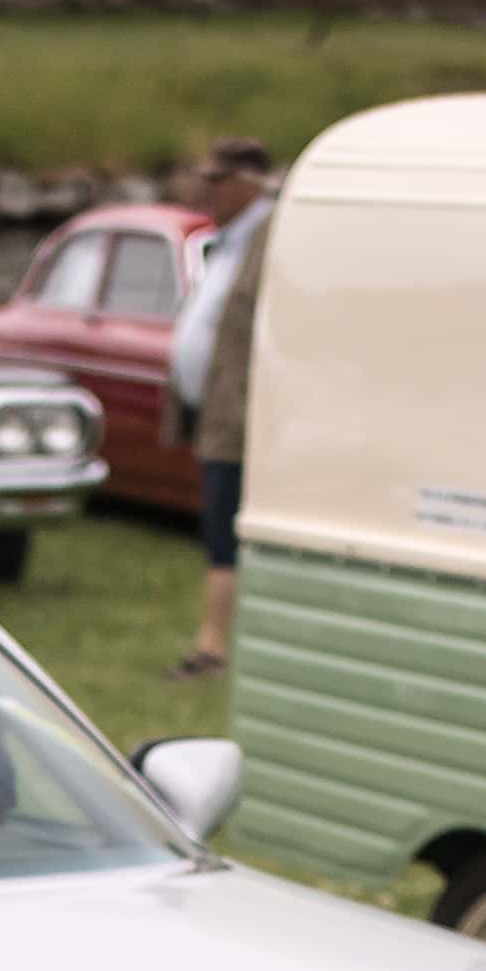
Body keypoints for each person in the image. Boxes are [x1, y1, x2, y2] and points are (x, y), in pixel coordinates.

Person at [164, 137, 274, 681]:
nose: (208, 191)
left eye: (218, 180)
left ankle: (214, 647)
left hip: (243, 412)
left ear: (247, 183)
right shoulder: (226, 240)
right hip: (216, 408)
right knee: (215, 522)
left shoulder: (270, 236)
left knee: (227, 529)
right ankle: (213, 643)